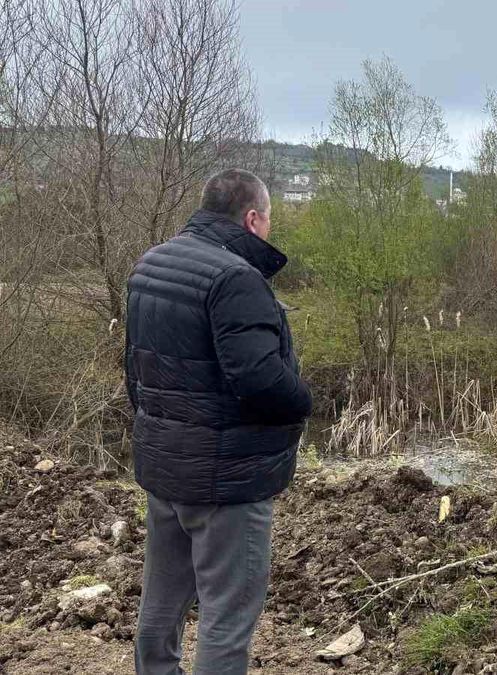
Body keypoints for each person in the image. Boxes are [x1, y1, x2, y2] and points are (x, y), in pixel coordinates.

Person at [124, 168, 312, 674]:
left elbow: (135, 370)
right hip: (226, 481)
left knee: (162, 599)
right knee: (227, 617)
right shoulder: (235, 278)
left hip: (165, 469)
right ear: (252, 219)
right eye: (269, 219)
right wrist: (303, 400)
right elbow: (257, 377)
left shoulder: (152, 264)